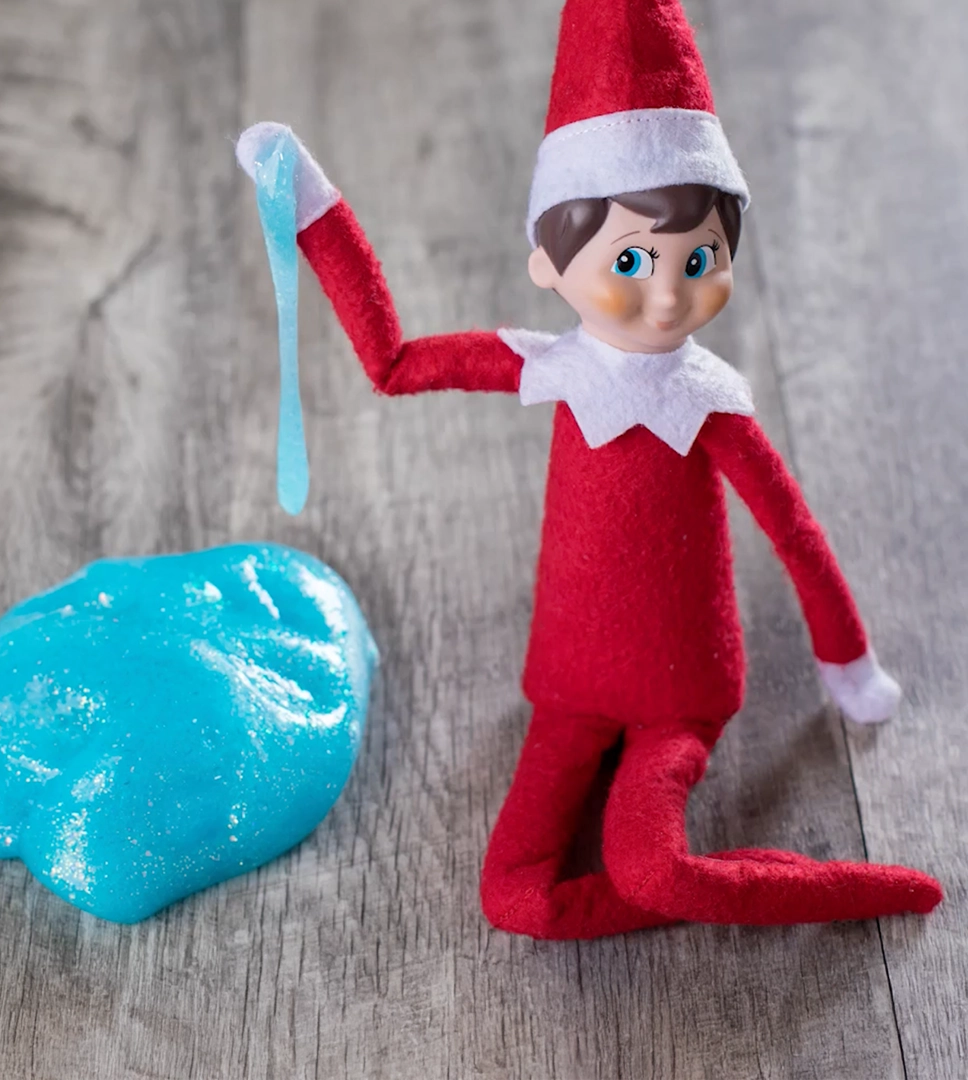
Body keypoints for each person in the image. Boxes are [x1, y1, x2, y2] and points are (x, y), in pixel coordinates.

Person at [237, 0, 942, 939]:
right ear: (548, 262)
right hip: (566, 687)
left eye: (701, 258)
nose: (667, 297)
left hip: (682, 695)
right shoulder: (552, 369)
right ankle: (708, 889)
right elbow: (394, 361)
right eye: (632, 261)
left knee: (656, 868)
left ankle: (843, 886)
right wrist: (311, 208)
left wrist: (848, 666)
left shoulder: (712, 406)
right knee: (513, 898)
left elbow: (796, 539)